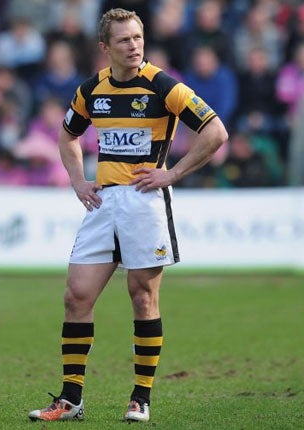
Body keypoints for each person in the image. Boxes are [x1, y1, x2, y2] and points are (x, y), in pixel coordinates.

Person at [28, 8, 228, 423]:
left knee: (143, 297)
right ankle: (70, 400)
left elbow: (216, 132)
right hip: (103, 204)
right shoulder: (91, 90)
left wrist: (172, 173)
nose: (134, 46)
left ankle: (140, 398)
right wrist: (77, 181)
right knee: (76, 296)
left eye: (138, 37)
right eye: (124, 40)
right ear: (105, 47)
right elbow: (67, 136)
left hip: (144, 202)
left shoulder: (163, 86)